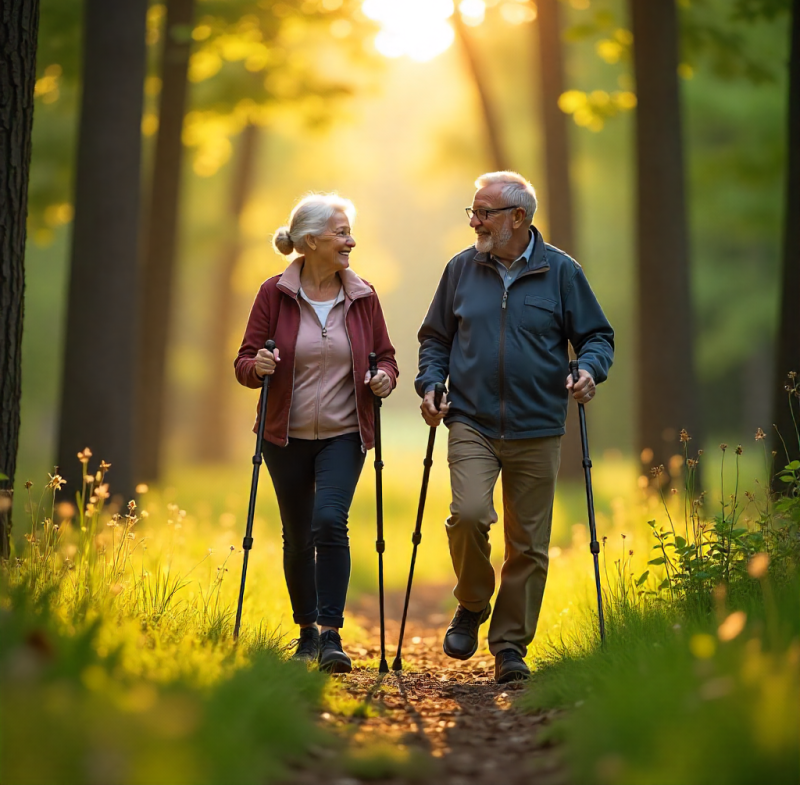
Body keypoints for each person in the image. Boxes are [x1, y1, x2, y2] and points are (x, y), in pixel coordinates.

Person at [416, 171, 614, 684]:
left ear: (519, 218)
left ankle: (509, 647)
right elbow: (435, 338)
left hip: (538, 425)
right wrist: (431, 381)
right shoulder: (461, 270)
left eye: (484, 212)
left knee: (527, 544)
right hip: (472, 420)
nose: (475, 221)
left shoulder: (561, 272)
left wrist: (589, 369)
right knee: (469, 515)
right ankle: (473, 603)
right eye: (474, 211)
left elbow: (596, 336)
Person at [235, 193, 398, 673]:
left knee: (329, 520)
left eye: (349, 232)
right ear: (310, 242)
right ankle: (305, 632)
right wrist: (257, 365)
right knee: (297, 534)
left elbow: (385, 355)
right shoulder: (274, 293)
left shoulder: (363, 295)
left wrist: (384, 378)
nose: (351, 241)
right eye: (341, 233)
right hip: (284, 436)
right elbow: (244, 361)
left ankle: (331, 634)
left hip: (345, 433)